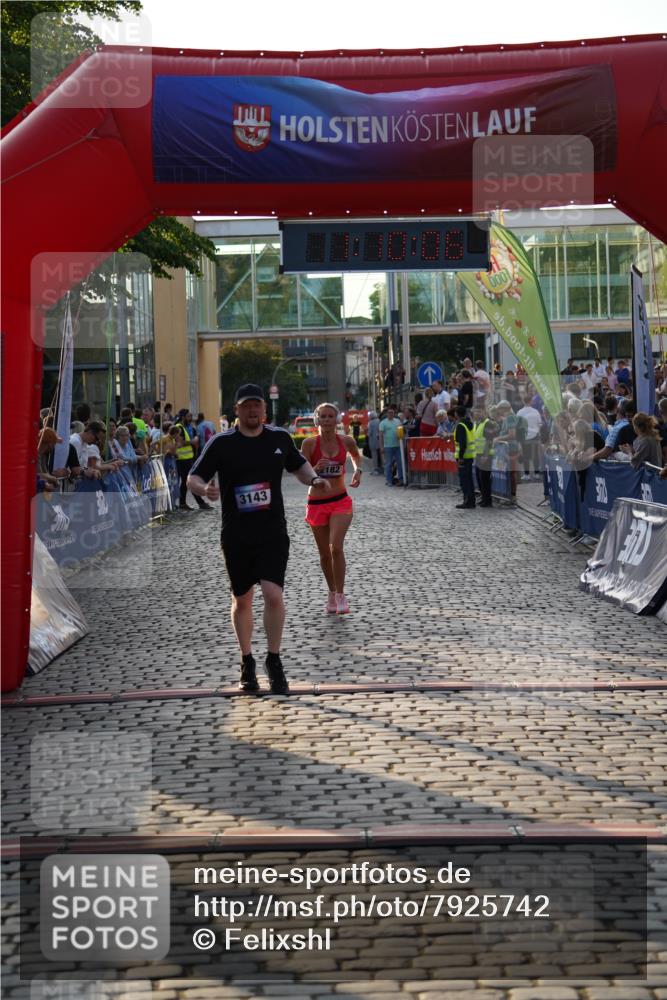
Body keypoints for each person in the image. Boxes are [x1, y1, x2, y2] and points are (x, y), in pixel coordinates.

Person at [187, 383, 331, 695]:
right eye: (246, 406)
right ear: (236, 410)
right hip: (236, 534)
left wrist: (315, 479)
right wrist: (204, 489)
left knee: (273, 594)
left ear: (264, 409)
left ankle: (274, 660)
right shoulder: (222, 443)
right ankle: (247, 660)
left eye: (257, 405)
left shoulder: (279, 438)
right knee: (242, 599)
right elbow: (193, 477)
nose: (252, 410)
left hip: (272, 531)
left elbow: (298, 465)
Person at [301, 402, 362, 615]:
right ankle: (331, 592)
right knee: (325, 554)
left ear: (336, 420)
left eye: (330, 416)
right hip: (317, 503)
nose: (326, 420)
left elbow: (355, 455)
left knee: (336, 547)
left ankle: (341, 595)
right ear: (317, 420)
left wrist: (358, 470)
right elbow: (302, 471)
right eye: (323, 416)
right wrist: (314, 469)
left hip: (340, 500)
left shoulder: (346, 441)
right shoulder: (309, 444)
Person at [454, 404, 476, 509]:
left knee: (464, 481)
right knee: (469, 480)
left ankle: (467, 501)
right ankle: (471, 501)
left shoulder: (461, 426)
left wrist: (461, 457)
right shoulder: (469, 423)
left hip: (463, 457)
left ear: (457, 414)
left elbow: (462, 444)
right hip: (470, 456)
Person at [379, 406, 403, 486]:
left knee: (399, 463)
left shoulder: (398, 421)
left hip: (397, 445)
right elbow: (380, 436)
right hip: (388, 446)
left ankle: (401, 479)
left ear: (394, 413)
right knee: (388, 464)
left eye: (392, 412)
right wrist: (381, 446)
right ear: (387, 413)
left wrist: (401, 440)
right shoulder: (383, 423)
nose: (391, 414)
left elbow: (401, 432)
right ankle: (389, 480)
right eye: (389, 412)